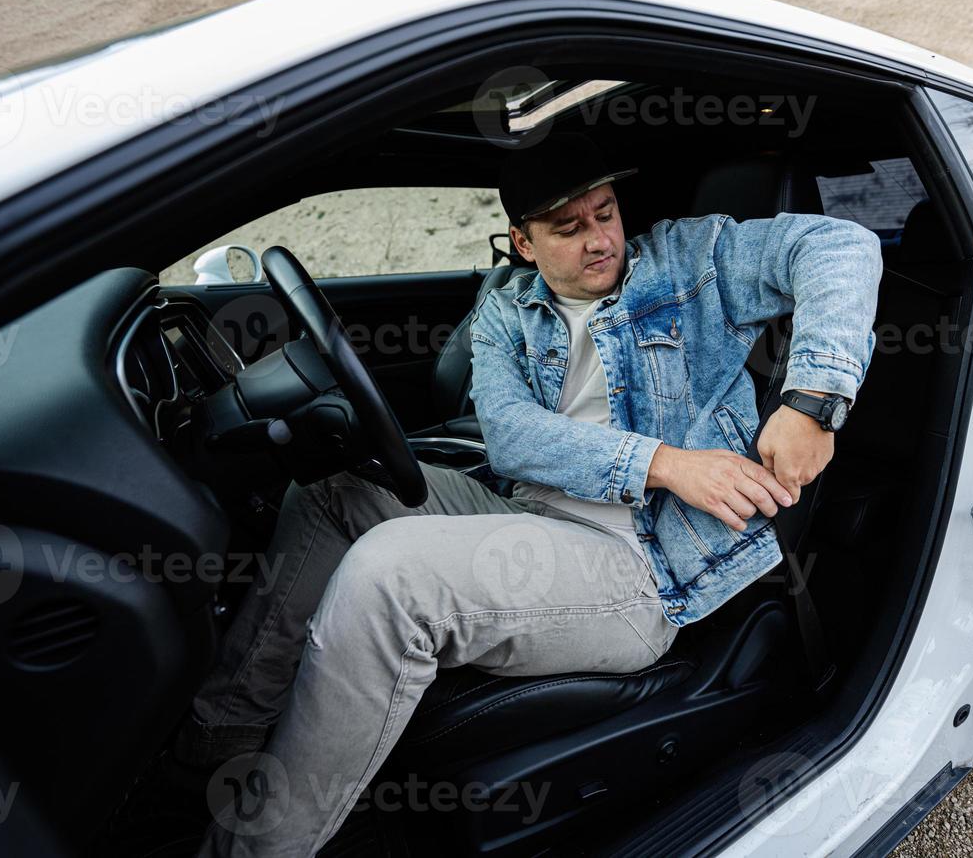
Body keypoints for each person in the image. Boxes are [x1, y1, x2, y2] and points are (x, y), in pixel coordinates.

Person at [194, 132, 882, 857]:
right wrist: (666, 462)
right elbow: (513, 435)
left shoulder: (692, 261)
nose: (599, 239)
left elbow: (841, 246)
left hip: (642, 566)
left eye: (606, 213)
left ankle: (257, 849)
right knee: (335, 493)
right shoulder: (506, 312)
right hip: (526, 511)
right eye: (569, 226)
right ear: (523, 244)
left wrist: (813, 402)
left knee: (391, 577)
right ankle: (221, 735)